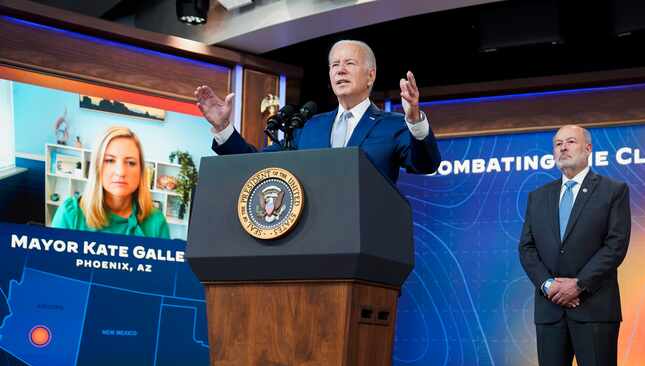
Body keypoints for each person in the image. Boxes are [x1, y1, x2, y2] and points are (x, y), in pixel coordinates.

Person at [518, 125, 631, 366]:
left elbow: (615, 246)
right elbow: (527, 249)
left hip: (594, 306)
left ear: (588, 148)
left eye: (570, 142)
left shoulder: (613, 191)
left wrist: (578, 285)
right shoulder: (539, 196)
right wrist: (550, 285)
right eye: (557, 143)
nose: (563, 147)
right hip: (550, 307)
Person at [194, 39, 441, 184]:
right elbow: (256, 164)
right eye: (335, 65)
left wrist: (415, 120)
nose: (340, 70)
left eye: (349, 63)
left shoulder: (393, 125)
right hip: (310, 247)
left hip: (367, 246)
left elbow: (426, 164)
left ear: (370, 75)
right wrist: (223, 128)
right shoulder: (308, 127)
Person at [52, 127, 170, 239]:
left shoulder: (157, 222)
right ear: (97, 167)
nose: (120, 172)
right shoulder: (70, 215)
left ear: (141, 171)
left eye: (130, 163)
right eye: (109, 160)